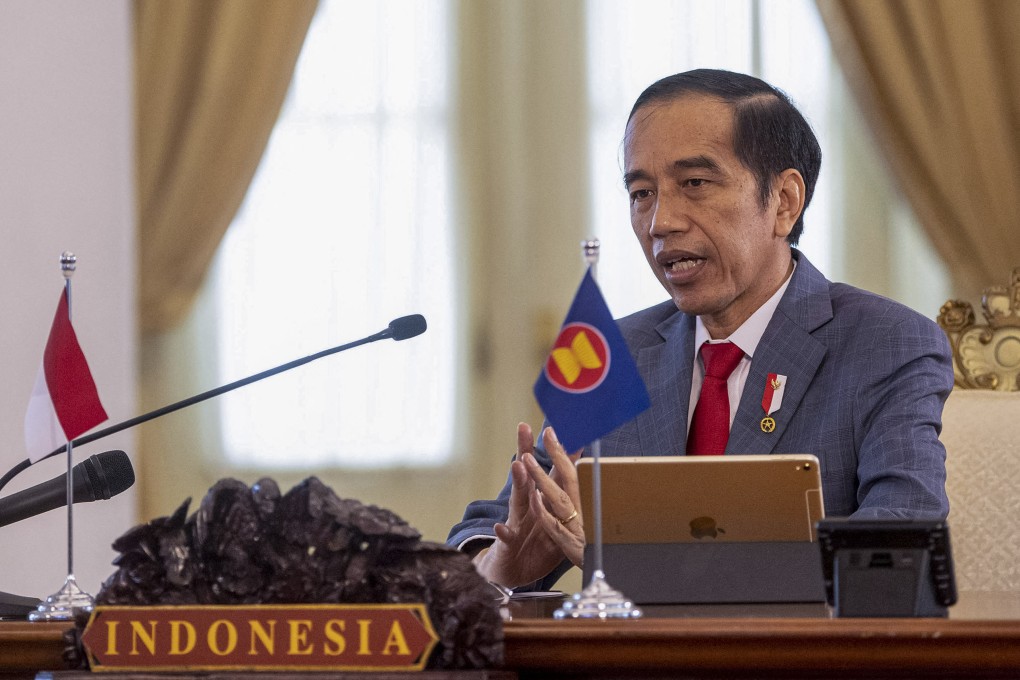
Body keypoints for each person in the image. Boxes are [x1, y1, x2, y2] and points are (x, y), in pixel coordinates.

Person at [447, 69, 954, 591]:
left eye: (694, 184)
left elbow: (900, 550)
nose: (660, 221)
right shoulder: (616, 351)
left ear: (783, 201)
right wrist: (499, 568)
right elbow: (496, 525)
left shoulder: (887, 344)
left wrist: (643, 566)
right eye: (642, 192)